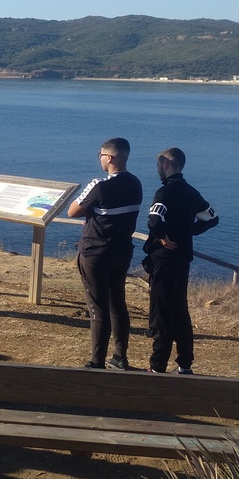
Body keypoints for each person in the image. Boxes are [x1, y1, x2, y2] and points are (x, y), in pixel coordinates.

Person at [68, 137, 143, 370]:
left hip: (95, 252)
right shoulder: (135, 184)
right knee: (117, 303)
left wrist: (91, 212)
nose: (99, 159)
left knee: (98, 308)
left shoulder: (99, 185)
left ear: (109, 158)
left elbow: (72, 211)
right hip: (121, 252)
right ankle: (120, 356)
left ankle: (96, 361)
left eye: (100, 155)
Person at [143, 147, 219, 375]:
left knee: (161, 313)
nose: (157, 170)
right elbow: (212, 218)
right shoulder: (191, 192)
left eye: (158, 165)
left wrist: (163, 237)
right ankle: (184, 363)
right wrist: (189, 232)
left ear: (166, 165)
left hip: (164, 260)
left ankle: (158, 365)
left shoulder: (164, 193)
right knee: (180, 310)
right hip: (183, 258)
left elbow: (154, 220)